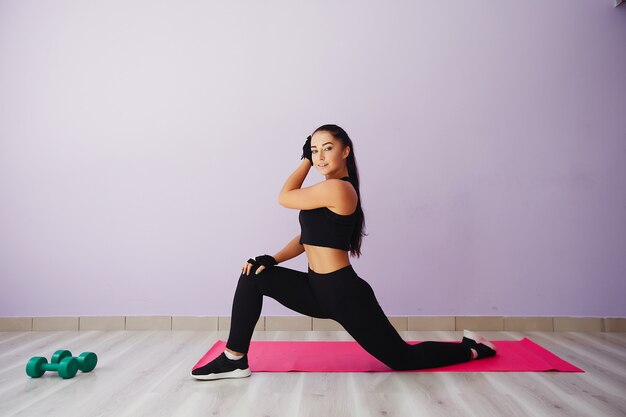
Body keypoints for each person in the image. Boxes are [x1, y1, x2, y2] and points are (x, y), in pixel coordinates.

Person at [191, 124, 496, 380]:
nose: (319, 156)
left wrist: (305, 162)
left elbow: (284, 197)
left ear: (345, 150)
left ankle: (470, 348)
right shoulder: (327, 192)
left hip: (344, 292)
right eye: (314, 150)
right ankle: (234, 358)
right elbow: (306, 238)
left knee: (403, 358)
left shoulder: (339, 188)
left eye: (326, 148)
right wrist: (272, 259)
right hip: (315, 288)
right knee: (253, 276)